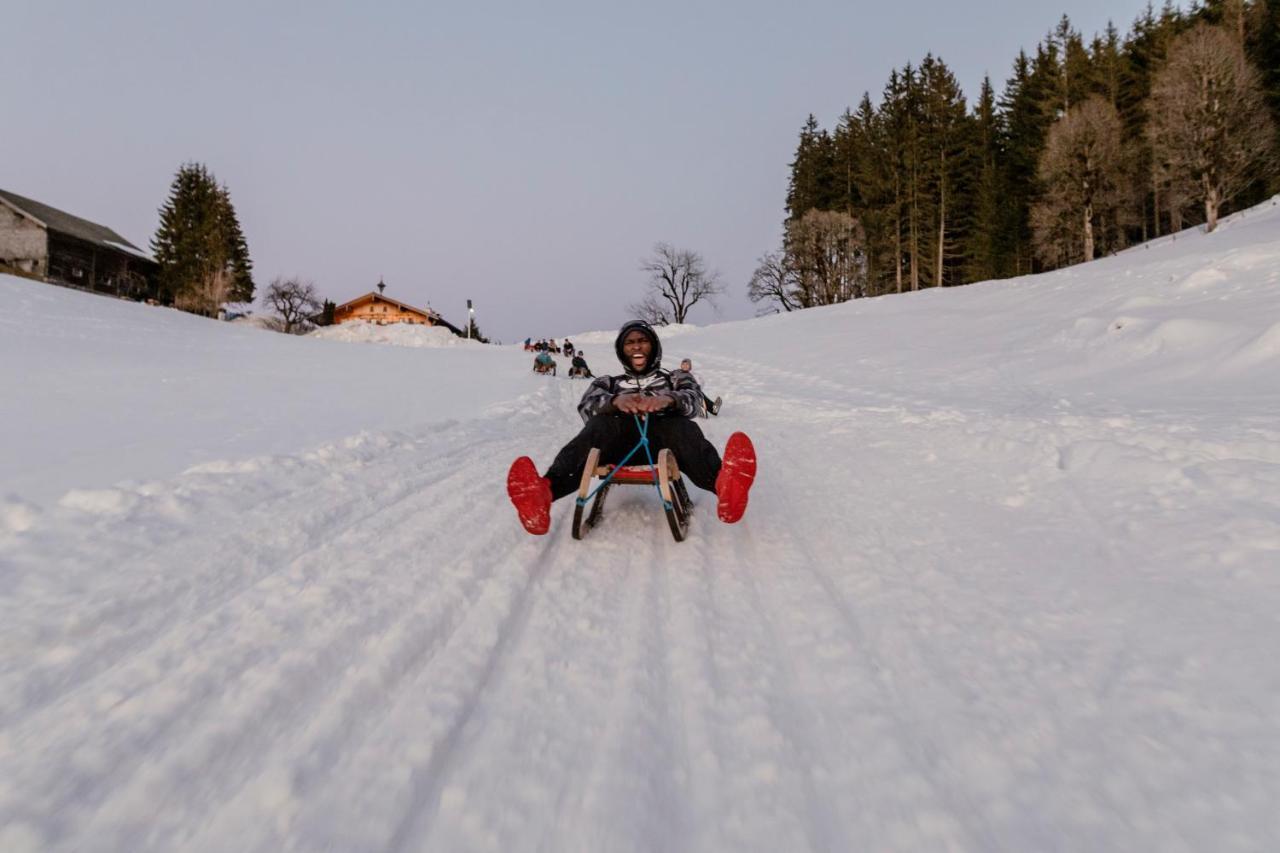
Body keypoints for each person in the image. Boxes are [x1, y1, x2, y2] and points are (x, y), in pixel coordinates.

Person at [506, 320, 756, 535]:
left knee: (684, 428)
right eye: (630, 342)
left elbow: (694, 399)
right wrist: (615, 401)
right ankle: (542, 493)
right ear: (622, 351)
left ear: (654, 347)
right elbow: (586, 406)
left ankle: (726, 487)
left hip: (663, 441)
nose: (636, 345)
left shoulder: (675, 377)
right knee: (597, 426)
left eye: (643, 340)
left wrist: (668, 399)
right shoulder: (609, 382)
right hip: (617, 443)